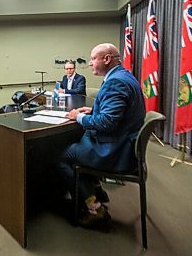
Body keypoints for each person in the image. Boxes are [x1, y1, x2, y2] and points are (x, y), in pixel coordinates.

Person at [57, 43, 145, 228]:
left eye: (93, 59)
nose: (89, 63)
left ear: (106, 59)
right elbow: (116, 113)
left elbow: (106, 123)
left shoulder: (116, 82)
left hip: (115, 151)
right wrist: (94, 110)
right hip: (124, 144)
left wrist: (78, 116)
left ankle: (94, 207)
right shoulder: (124, 75)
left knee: (64, 158)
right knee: (78, 142)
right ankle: (96, 191)